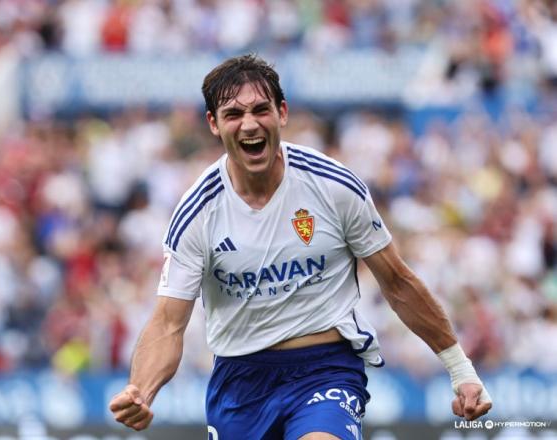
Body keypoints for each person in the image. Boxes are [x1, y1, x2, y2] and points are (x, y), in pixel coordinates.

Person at [109, 54, 492, 440]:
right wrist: (141, 390)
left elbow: (397, 282)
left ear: (282, 113)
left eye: (261, 109)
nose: (250, 124)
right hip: (240, 381)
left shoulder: (333, 186)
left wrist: (460, 370)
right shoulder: (198, 212)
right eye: (233, 114)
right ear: (213, 124)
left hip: (324, 368)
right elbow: (169, 322)